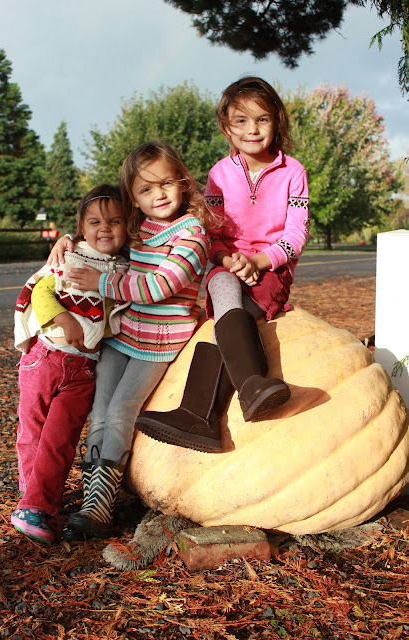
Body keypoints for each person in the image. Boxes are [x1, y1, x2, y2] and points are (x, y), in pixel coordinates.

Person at [48, 141, 216, 540]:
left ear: (182, 182)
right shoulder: (139, 230)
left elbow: (160, 286)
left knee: (123, 409)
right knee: (100, 410)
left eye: (166, 183)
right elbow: (101, 239)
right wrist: (68, 239)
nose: (158, 194)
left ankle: (100, 508)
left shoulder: (192, 236)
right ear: (134, 199)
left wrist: (102, 282)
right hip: (122, 333)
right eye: (145, 189)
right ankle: (93, 497)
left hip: (159, 342)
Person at [135, 76, 310, 451]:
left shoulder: (293, 172)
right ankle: (250, 385)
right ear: (226, 127)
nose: (252, 129)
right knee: (222, 285)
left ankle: (200, 415)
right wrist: (227, 258)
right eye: (241, 121)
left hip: (271, 269)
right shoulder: (220, 174)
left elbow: (296, 235)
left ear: (276, 121)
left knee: (235, 315)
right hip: (227, 263)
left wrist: (259, 261)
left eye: (262, 119)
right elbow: (212, 232)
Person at [12, 184, 128, 544]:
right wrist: (64, 320)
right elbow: (41, 290)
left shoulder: (125, 269)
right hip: (44, 357)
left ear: (128, 226)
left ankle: (35, 504)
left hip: (84, 369)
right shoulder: (72, 255)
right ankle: (34, 500)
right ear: (80, 228)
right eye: (94, 222)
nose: (104, 228)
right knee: (32, 432)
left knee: (60, 439)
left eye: (114, 221)